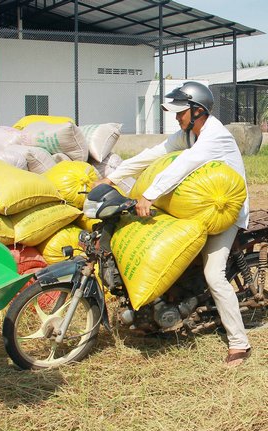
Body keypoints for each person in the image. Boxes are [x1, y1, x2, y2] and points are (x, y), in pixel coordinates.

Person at [95, 81, 251, 367]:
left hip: (223, 212)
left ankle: (239, 343)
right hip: (196, 208)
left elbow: (186, 164)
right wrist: (112, 178)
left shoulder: (214, 136)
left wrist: (149, 195)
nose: (177, 117)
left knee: (214, 274)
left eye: (181, 112)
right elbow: (153, 154)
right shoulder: (189, 134)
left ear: (198, 111)